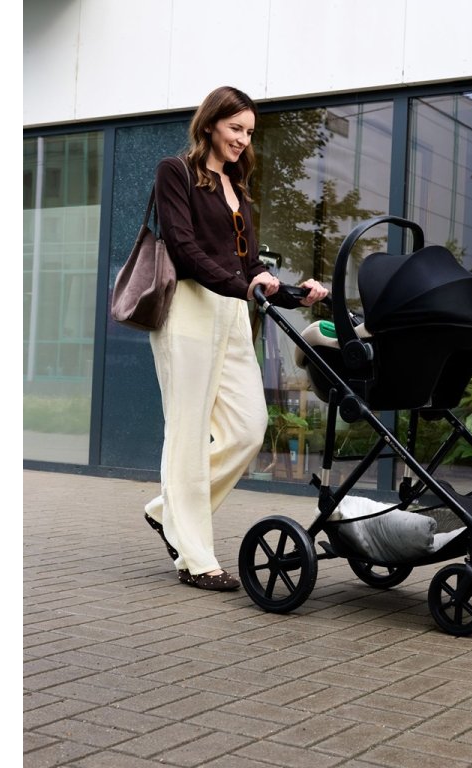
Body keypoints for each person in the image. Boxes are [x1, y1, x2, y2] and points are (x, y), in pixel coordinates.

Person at [143, 86, 328, 590]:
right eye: (235, 128)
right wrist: (242, 284)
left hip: (231, 312)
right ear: (210, 124)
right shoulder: (175, 171)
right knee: (187, 432)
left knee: (248, 427)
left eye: (249, 132)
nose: (243, 140)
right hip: (187, 309)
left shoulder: (237, 186)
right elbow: (183, 247)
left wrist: (295, 294)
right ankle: (195, 558)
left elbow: (249, 268)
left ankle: (167, 510)